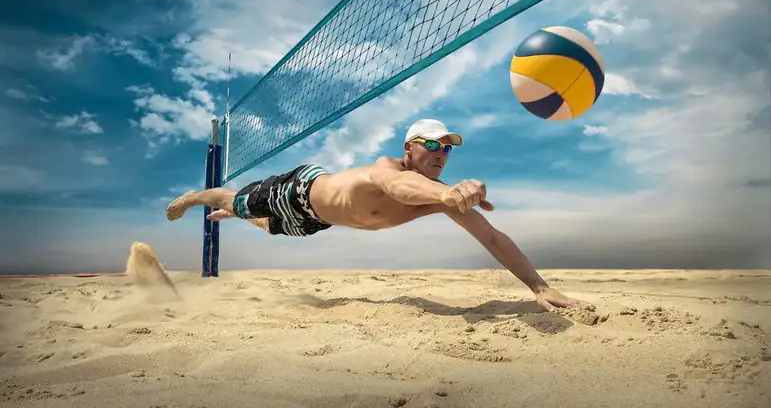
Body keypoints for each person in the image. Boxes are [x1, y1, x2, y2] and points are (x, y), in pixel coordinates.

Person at [166, 119, 585, 312]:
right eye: (433, 145)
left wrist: (539, 287)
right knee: (236, 199)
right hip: (301, 187)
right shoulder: (389, 169)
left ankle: (235, 214)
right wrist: (451, 191)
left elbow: (493, 238)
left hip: (320, 219)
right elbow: (400, 189)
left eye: (449, 148)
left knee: (270, 228)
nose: (442, 153)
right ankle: (195, 198)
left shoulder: (443, 196)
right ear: (409, 149)